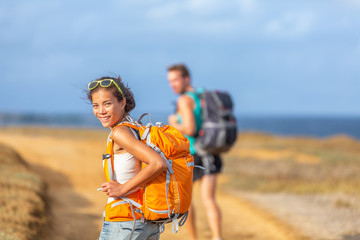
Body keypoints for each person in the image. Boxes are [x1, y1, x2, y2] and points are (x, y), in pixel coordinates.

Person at [87, 76, 167, 240]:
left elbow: (158, 163)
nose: (101, 111)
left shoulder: (120, 133)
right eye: (96, 105)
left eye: (107, 104)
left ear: (122, 103)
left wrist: (122, 189)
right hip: (145, 222)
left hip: (125, 222)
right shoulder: (134, 127)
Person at [167, 64, 223, 240]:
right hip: (210, 151)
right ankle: (217, 237)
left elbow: (190, 129)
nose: (172, 85)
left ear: (186, 78)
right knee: (209, 199)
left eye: (176, 80)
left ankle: (194, 239)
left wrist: (174, 123)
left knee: (187, 201)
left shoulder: (184, 100)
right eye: (170, 81)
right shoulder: (201, 95)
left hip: (193, 154)